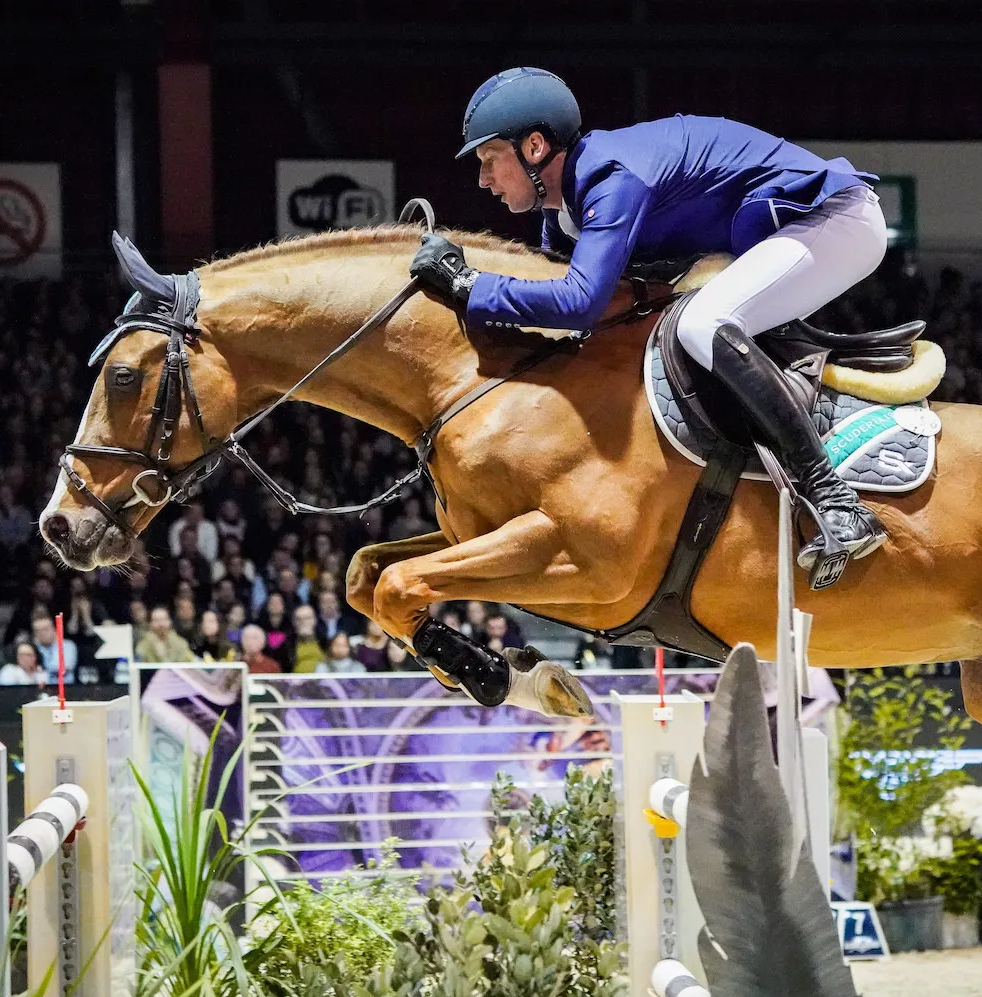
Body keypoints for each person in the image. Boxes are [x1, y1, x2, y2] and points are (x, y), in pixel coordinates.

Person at [411, 67, 888, 574]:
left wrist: (469, 285)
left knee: (703, 324)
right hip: (775, 234)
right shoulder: (565, 216)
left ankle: (836, 501)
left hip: (835, 219)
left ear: (534, 147)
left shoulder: (610, 177)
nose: (482, 179)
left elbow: (578, 303)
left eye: (489, 160)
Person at [30, 615, 79, 684]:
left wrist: (42, 671)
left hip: (66, 687)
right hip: (41, 688)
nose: (42, 633)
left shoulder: (68, 645)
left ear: (54, 629)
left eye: (45, 629)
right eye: (38, 631)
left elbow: (64, 668)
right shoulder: (34, 648)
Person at [288, 605, 325, 673]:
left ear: (315, 620)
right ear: (294, 622)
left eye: (307, 618)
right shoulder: (286, 644)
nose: (303, 622)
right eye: (298, 619)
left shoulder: (325, 642)